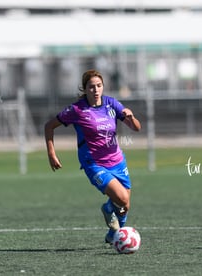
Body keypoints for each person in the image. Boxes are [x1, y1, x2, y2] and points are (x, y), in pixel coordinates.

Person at [44, 69, 141, 244]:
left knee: (125, 206)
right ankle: (108, 209)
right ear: (85, 89)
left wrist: (130, 116)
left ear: (103, 87)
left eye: (99, 86)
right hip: (94, 164)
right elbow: (49, 126)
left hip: (117, 161)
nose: (95, 90)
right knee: (122, 198)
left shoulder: (112, 104)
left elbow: (136, 128)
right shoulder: (76, 110)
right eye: (91, 87)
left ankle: (113, 234)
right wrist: (51, 153)